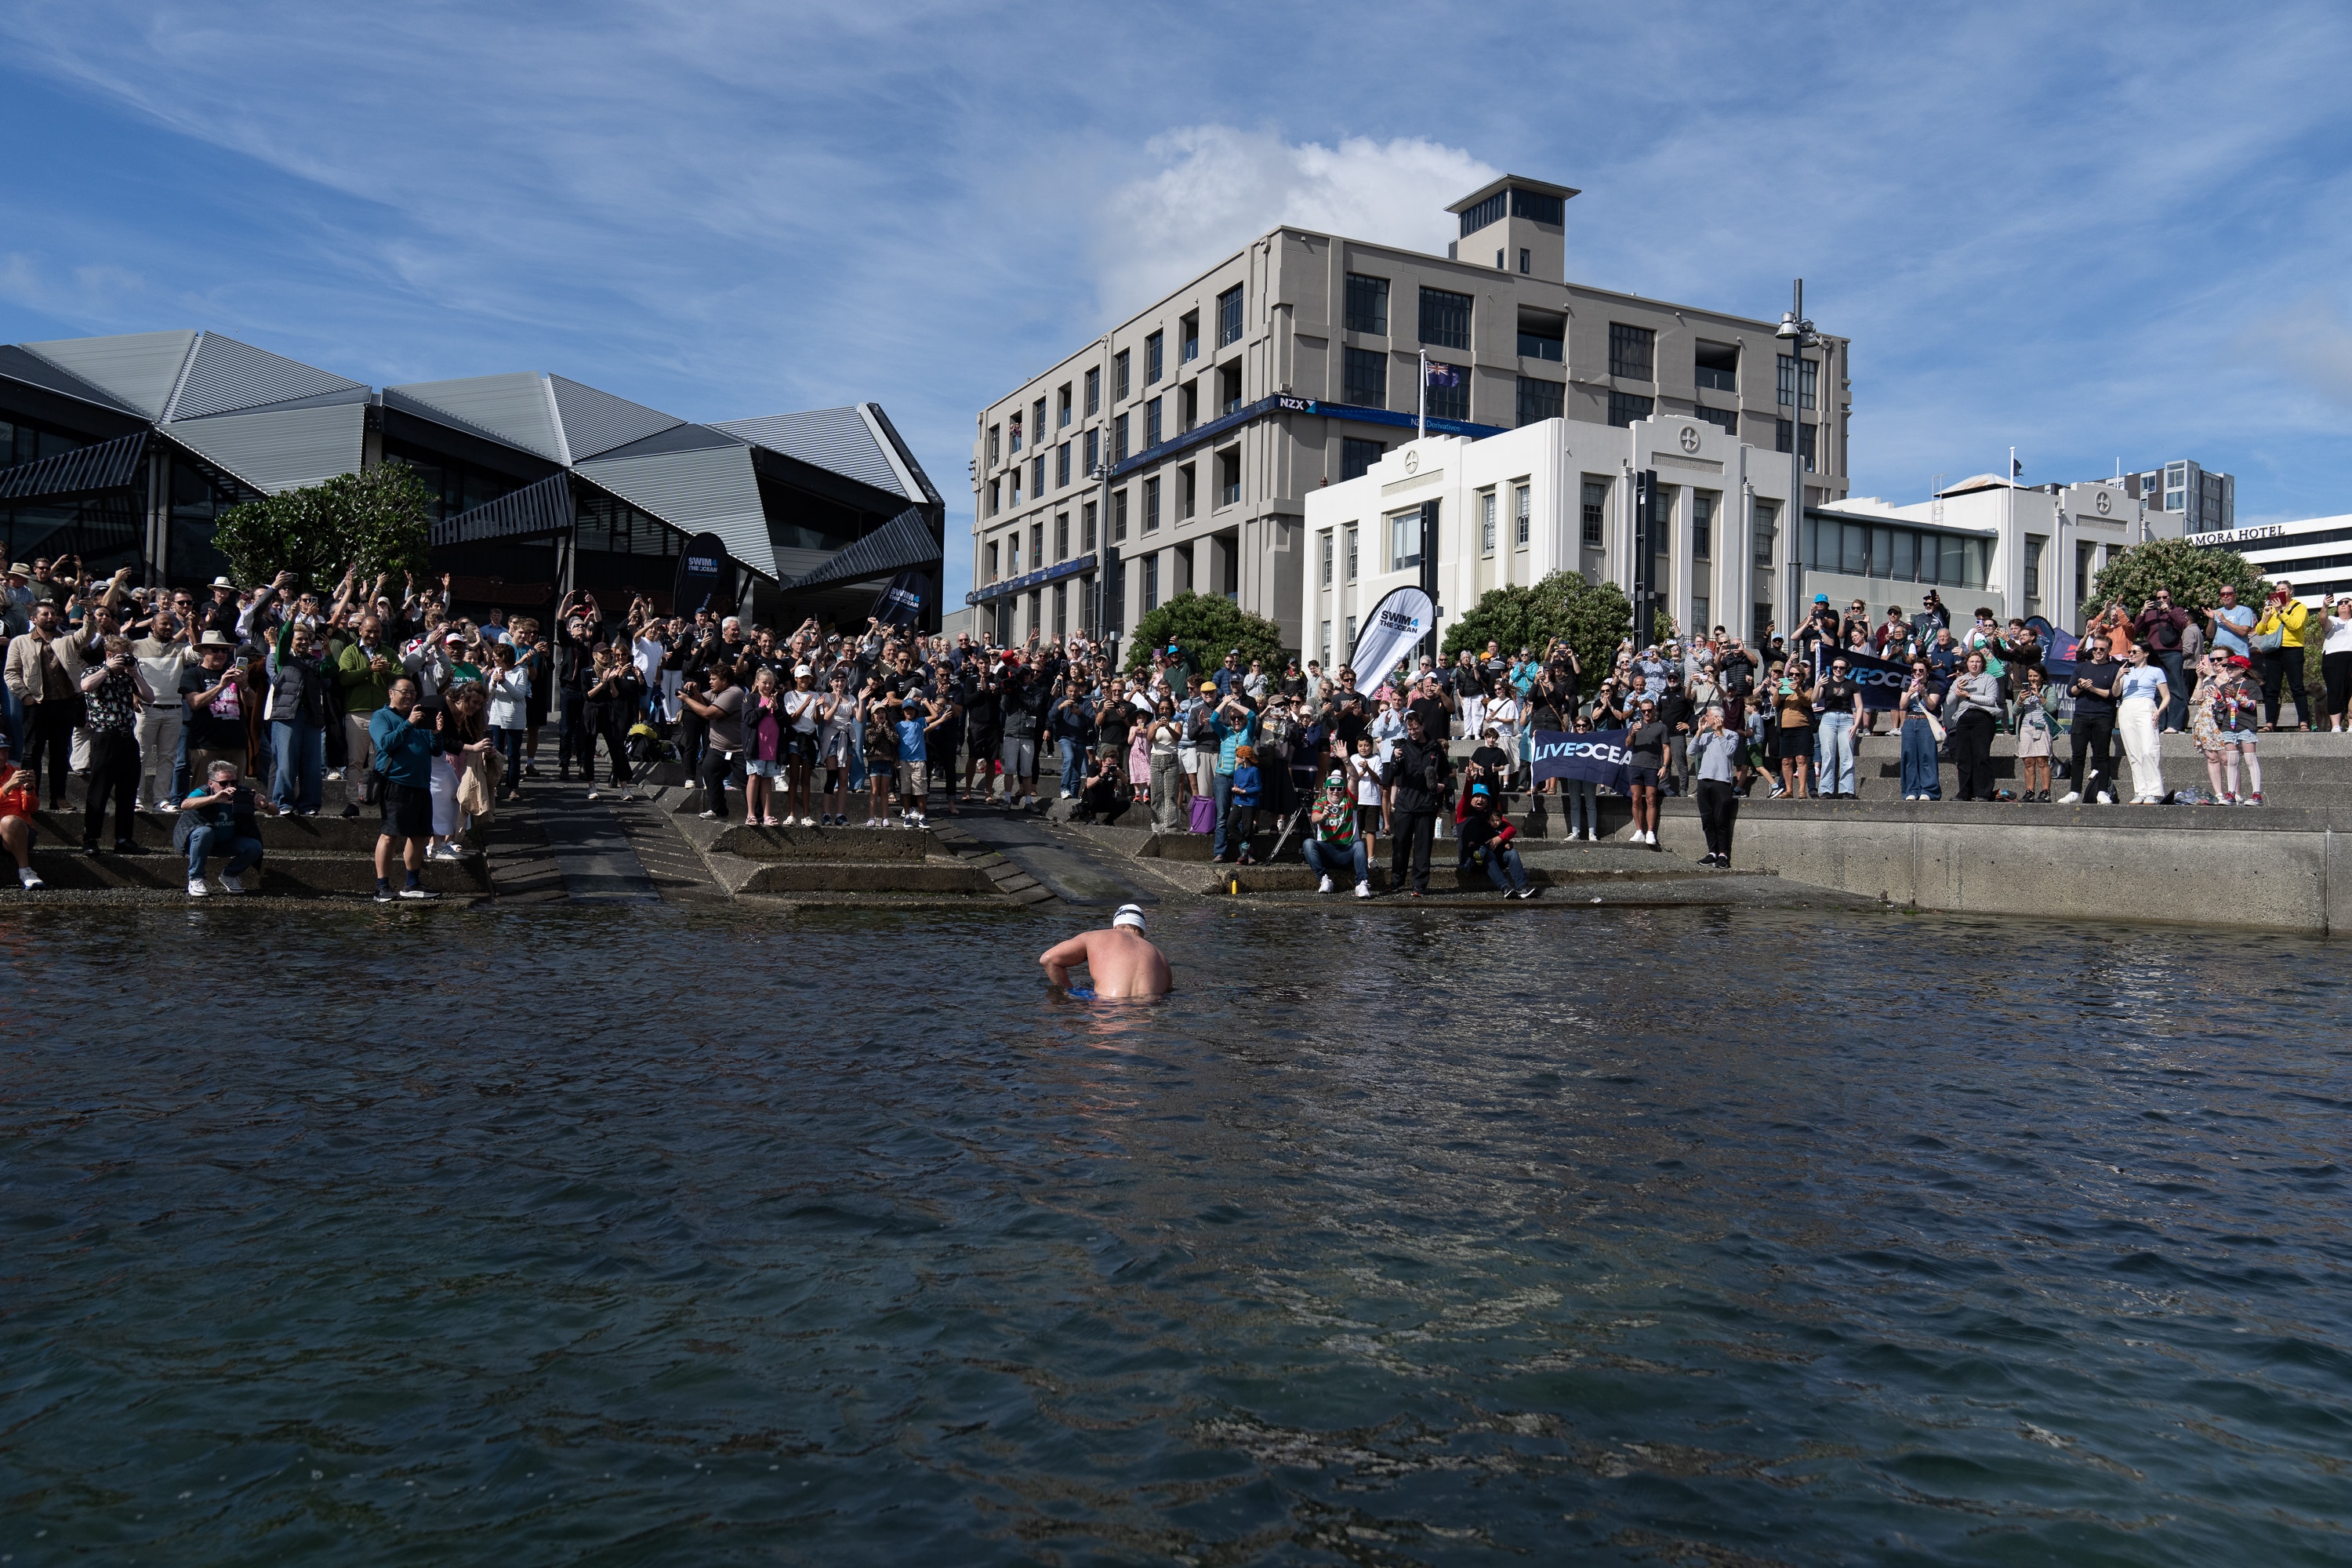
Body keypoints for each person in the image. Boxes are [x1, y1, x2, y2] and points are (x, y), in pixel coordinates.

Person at [5, 601, 89, 811]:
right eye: (45, 614)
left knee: (60, 753)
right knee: (31, 753)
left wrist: (88, 614)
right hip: (36, 704)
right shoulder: (20, 642)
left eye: (53, 613)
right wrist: (25, 696)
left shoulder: (67, 640)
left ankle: (58, 797)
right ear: (33, 619)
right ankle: (28, 796)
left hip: (65, 703)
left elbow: (87, 635)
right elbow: (11, 673)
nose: (51, 617)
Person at [368, 677, 442, 901]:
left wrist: (437, 734)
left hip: (421, 784)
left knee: (419, 835)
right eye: (404, 691)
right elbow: (386, 743)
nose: (409, 696)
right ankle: (382, 886)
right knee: (390, 834)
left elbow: (435, 751)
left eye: (412, 692)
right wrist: (409, 723)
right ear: (392, 693)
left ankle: (412, 883)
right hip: (395, 782)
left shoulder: (420, 717)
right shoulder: (381, 716)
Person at [78, 633, 151, 856]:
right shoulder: (94, 671)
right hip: (104, 737)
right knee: (99, 790)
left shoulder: (129, 677)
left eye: (128, 656)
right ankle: (90, 839)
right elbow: (86, 686)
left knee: (128, 791)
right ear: (109, 655)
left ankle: (124, 838)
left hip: (127, 737)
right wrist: (108, 668)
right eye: (121, 657)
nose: (125, 660)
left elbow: (150, 697)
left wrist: (135, 674)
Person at [267, 616, 333, 817]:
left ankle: (309, 804)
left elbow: (330, 675)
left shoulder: (315, 662)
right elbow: (284, 639)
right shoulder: (282, 659)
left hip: (311, 717)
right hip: (287, 716)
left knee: (312, 765)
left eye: (306, 639)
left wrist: (327, 650)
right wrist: (290, 620)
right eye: (299, 639)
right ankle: (284, 803)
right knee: (286, 764)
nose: (303, 642)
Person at [178, 757, 272, 896]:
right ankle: (195, 878)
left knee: (254, 846)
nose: (229, 787)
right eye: (223, 783)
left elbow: (274, 811)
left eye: (233, 782)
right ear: (211, 783)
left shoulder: (242, 793)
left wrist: (265, 805)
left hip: (228, 842)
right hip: (200, 842)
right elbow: (185, 804)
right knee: (204, 832)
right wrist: (214, 799)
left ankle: (229, 875)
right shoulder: (203, 792)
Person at [1381, 709, 1450, 898]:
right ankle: (1396, 882)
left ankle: (1420, 885)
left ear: (1422, 726)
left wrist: (1442, 785)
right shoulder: (1403, 746)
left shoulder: (1435, 747)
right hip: (1406, 801)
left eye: (1416, 728)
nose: (1413, 732)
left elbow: (1446, 772)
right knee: (1400, 843)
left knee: (1423, 846)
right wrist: (1395, 759)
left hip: (1427, 803)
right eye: (1410, 729)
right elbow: (1393, 773)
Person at [1038, 904, 1171, 999]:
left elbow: (1048, 960)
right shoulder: (1161, 958)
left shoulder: (1095, 937)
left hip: (1108, 1010)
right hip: (1146, 1019)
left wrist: (1068, 993)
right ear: (1143, 931)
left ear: (1116, 926)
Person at [679, 663, 745, 822]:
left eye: (714, 679)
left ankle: (757, 814)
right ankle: (719, 810)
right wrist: (694, 692)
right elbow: (702, 699)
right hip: (718, 749)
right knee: (709, 771)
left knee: (746, 782)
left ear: (725, 680)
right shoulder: (716, 691)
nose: (710, 682)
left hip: (738, 750)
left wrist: (687, 699)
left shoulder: (734, 693)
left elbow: (708, 713)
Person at [2061, 641, 2121, 805]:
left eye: (2102, 649)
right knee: (2078, 755)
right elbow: (2070, 691)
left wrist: (2093, 689)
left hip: (2103, 716)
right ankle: (2075, 792)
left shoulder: (2114, 669)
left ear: (2109, 650)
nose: (2098, 652)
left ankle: (2102, 791)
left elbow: (2114, 695)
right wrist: (2081, 686)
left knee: (2102, 755)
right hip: (2081, 715)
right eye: (2095, 649)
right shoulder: (2081, 667)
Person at [1457, 782, 1534, 898]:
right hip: (1472, 860)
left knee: (1512, 853)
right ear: (1471, 799)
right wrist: (1469, 779)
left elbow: (1511, 830)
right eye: (1477, 796)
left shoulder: (1491, 815)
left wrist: (1499, 838)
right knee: (1488, 854)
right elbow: (1466, 795)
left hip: (1494, 857)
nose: (1480, 799)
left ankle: (1522, 887)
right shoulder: (1463, 813)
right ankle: (1506, 888)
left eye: (1484, 797)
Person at [2252, 582, 2311, 730]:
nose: (2280, 592)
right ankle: (2269, 723)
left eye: (2283, 589)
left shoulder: (2299, 607)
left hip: (2293, 649)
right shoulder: (2270, 609)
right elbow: (2259, 631)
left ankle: (2303, 722)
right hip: (2273, 651)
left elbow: (2295, 625)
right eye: (2277, 590)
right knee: (2272, 688)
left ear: (2290, 591)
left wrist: (2281, 611)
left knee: (2296, 687)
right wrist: (2266, 617)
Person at [1301, 768, 1370, 896]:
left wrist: (1346, 759)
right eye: (1332, 788)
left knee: (1360, 844)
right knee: (1308, 843)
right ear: (1326, 789)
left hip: (1347, 851)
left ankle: (1361, 883)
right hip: (1327, 851)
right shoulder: (1320, 802)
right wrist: (1323, 816)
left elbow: (1354, 779)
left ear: (1344, 790)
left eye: (1339, 788)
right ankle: (1324, 879)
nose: (1335, 792)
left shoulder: (1349, 802)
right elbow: (1314, 818)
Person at [2204, 655, 2263, 804]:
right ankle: (2231, 793)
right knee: (2232, 760)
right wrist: (2218, 699)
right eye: (2227, 667)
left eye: (2233, 667)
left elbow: (2251, 706)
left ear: (2243, 670)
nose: (2229, 670)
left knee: (2250, 758)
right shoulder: (2224, 687)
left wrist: (2236, 695)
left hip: (2246, 725)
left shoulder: (2250, 685)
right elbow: (2222, 709)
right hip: (2229, 726)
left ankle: (2257, 794)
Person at [2115, 642, 2169, 803]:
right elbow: (2115, 692)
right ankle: (2140, 791)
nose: (2131, 654)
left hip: (2146, 706)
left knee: (2148, 749)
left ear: (2146, 654)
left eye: (2135, 652)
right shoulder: (2125, 671)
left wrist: (2159, 711)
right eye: (2130, 651)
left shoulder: (2156, 671)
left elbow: (2166, 696)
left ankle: (2152, 791)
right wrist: (2118, 678)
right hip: (2127, 707)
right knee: (2134, 752)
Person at [1945, 650, 2002, 801]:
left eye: (1977, 661)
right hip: (1964, 718)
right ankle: (1964, 792)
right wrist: (1957, 692)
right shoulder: (1960, 679)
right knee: (1963, 757)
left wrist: (1969, 696)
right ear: (1967, 664)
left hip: (1983, 717)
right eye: (1971, 662)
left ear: (1982, 664)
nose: (1974, 664)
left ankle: (1983, 792)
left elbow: (1991, 700)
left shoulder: (1989, 679)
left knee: (1981, 755)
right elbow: (1949, 702)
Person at [2135, 591, 2191, 731]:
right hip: (2154, 653)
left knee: (2175, 688)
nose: (2161, 600)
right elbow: (2136, 629)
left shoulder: (2177, 610)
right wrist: (2142, 611)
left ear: (2170, 597)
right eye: (2158, 598)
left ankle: (2174, 724)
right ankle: (2159, 724)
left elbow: (2182, 625)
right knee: (2157, 690)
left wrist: (2169, 612)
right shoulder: (2150, 614)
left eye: (2164, 597)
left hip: (2172, 653)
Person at [1812, 655, 1864, 798]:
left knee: (1847, 755)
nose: (1838, 670)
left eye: (1841, 668)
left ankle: (1847, 789)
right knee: (1828, 754)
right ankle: (1826, 789)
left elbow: (1859, 707)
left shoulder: (1852, 684)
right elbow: (1814, 700)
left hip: (1846, 719)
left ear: (1846, 669)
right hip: (1828, 718)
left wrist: (1856, 725)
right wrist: (1818, 685)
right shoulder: (1826, 682)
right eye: (1835, 667)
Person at [1896, 659, 1944, 801]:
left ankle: (1928, 791)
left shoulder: (1933, 686)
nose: (1918, 673)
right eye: (1915, 671)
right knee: (1909, 756)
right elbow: (1902, 706)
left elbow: (1932, 706)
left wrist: (1924, 694)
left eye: (1921, 670)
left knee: (1927, 756)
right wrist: (1909, 691)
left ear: (1927, 672)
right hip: (1910, 721)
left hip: (1925, 721)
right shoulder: (1907, 686)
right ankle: (1911, 790)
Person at [0, 733, 42, 887]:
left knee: (9, 821)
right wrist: (8, 786)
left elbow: (31, 808)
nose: (1, 756)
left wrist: (29, 789)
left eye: (4, 751)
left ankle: (26, 871)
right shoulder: (13, 780)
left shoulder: (17, 772)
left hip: (19, 832)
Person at [1626, 697, 1667, 848]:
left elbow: (1666, 748)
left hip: (1652, 766)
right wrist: (1632, 734)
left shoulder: (1661, 727)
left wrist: (1665, 766)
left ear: (1654, 710)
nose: (1647, 713)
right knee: (1636, 799)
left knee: (1651, 799)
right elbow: (1627, 744)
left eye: (1649, 710)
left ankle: (1650, 831)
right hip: (1636, 765)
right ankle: (1639, 831)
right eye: (1644, 711)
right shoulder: (1635, 726)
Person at [2013, 666, 2057, 801]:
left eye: (2036, 676)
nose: (2032, 679)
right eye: (2030, 676)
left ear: (2042, 677)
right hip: (2026, 727)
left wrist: (2039, 696)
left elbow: (2052, 708)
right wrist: (2020, 700)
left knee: (2042, 760)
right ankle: (2029, 791)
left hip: (2042, 727)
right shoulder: (2024, 691)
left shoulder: (2048, 690)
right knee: (2028, 761)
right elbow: (2015, 711)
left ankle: (2045, 791)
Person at [1772, 664, 1813, 799]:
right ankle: (1789, 790)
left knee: (1801, 759)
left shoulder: (1807, 688)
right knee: (1786, 761)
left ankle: (1802, 790)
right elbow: (1774, 703)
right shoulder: (1784, 689)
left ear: (1802, 676)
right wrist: (1778, 691)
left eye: (1797, 675)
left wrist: (1798, 691)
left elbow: (1808, 702)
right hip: (1785, 727)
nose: (1793, 677)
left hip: (1802, 727)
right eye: (1791, 674)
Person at [1224, 743, 1261, 864]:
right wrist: (1236, 790)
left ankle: (1245, 856)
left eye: (1238, 757)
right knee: (1230, 824)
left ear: (1244, 758)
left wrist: (1244, 791)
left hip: (1249, 803)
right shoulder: (1238, 771)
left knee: (1247, 829)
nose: (1236, 759)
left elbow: (1258, 787)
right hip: (1238, 802)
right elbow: (1236, 784)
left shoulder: (1254, 771)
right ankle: (1245, 845)